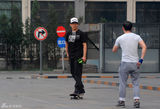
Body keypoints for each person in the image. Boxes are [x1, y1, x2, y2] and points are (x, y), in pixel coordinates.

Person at [112, 21, 147, 108]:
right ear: (132, 28)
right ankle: (136, 101)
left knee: (123, 83)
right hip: (136, 63)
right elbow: (144, 47)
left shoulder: (120, 38)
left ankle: (122, 101)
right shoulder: (137, 37)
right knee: (135, 83)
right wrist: (141, 59)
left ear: (123, 28)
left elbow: (114, 50)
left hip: (124, 63)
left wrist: (119, 47)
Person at [65, 17, 87, 95]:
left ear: (77, 24)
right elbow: (66, 44)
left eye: (75, 23)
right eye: (73, 23)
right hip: (71, 56)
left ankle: (77, 90)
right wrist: (67, 53)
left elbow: (84, 45)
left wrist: (84, 56)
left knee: (78, 72)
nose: (74, 25)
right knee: (72, 72)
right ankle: (81, 88)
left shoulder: (81, 33)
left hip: (79, 57)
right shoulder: (68, 33)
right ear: (70, 25)